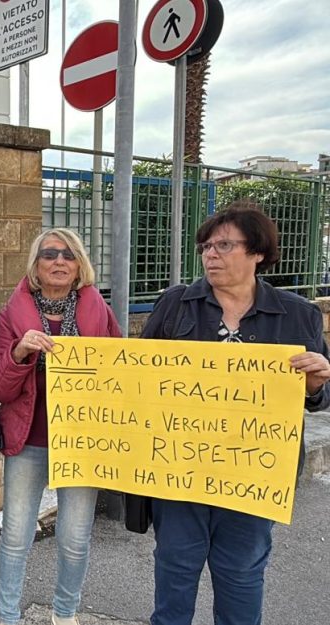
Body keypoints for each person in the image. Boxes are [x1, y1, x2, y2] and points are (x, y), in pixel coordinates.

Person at [140, 203, 330, 625]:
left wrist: (316, 382)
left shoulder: (299, 314)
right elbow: (141, 379)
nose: (210, 254)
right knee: (175, 571)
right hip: (179, 470)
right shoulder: (175, 305)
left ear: (258, 251)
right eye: (206, 246)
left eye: (224, 245)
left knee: (241, 576)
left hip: (255, 475)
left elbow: (318, 396)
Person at [0, 228, 122, 625]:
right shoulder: (13, 314)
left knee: (75, 539)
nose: (59, 261)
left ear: (80, 263)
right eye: (49, 254)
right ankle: (8, 616)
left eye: (68, 254)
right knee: (15, 536)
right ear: (36, 264)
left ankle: (65, 613)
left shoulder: (99, 310)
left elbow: (121, 373)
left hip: (81, 443)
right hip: (29, 440)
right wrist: (19, 352)